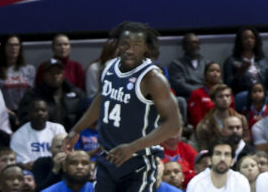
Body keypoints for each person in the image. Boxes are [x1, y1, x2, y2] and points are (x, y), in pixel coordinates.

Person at [63, 22, 181, 192]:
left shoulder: (152, 78)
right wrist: (77, 129)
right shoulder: (109, 67)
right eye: (125, 44)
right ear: (118, 44)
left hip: (138, 162)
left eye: (136, 45)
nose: (130, 50)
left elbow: (173, 125)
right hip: (107, 159)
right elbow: (102, 99)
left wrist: (132, 147)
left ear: (146, 48)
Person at [10, 98, 63, 168]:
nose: (40, 113)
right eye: (36, 111)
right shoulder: (19, 135)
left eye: (43, 110)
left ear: (48, 113)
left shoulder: (58, 129)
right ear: (29, 114)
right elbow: (23, 163)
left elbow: (65, 152)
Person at [223, 29, 267, 94]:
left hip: (262, 92)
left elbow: (266, 82)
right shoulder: (231, 61)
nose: (249, 40)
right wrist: (239, 74)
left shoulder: (261, 59)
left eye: (252, 38)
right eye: (245, 38)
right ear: (240, 41)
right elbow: (228, 85)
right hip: (244, 92)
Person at [167, 35, 204, 101]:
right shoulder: (176, 64)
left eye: (196, 43)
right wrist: (200, 92)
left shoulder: (207, 63)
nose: (194, 46)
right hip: (188, 97)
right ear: (184, 46)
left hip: (207, 96)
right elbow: (179, 85)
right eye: (190, 43)